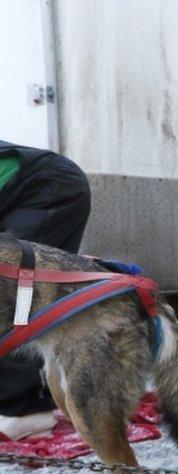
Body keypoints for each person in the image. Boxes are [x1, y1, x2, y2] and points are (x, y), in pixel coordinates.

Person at [0, 140, 92, 419]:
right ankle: (46, 388)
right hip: (39, 188)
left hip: (51, 188)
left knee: (12, 290)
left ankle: (22, 410)